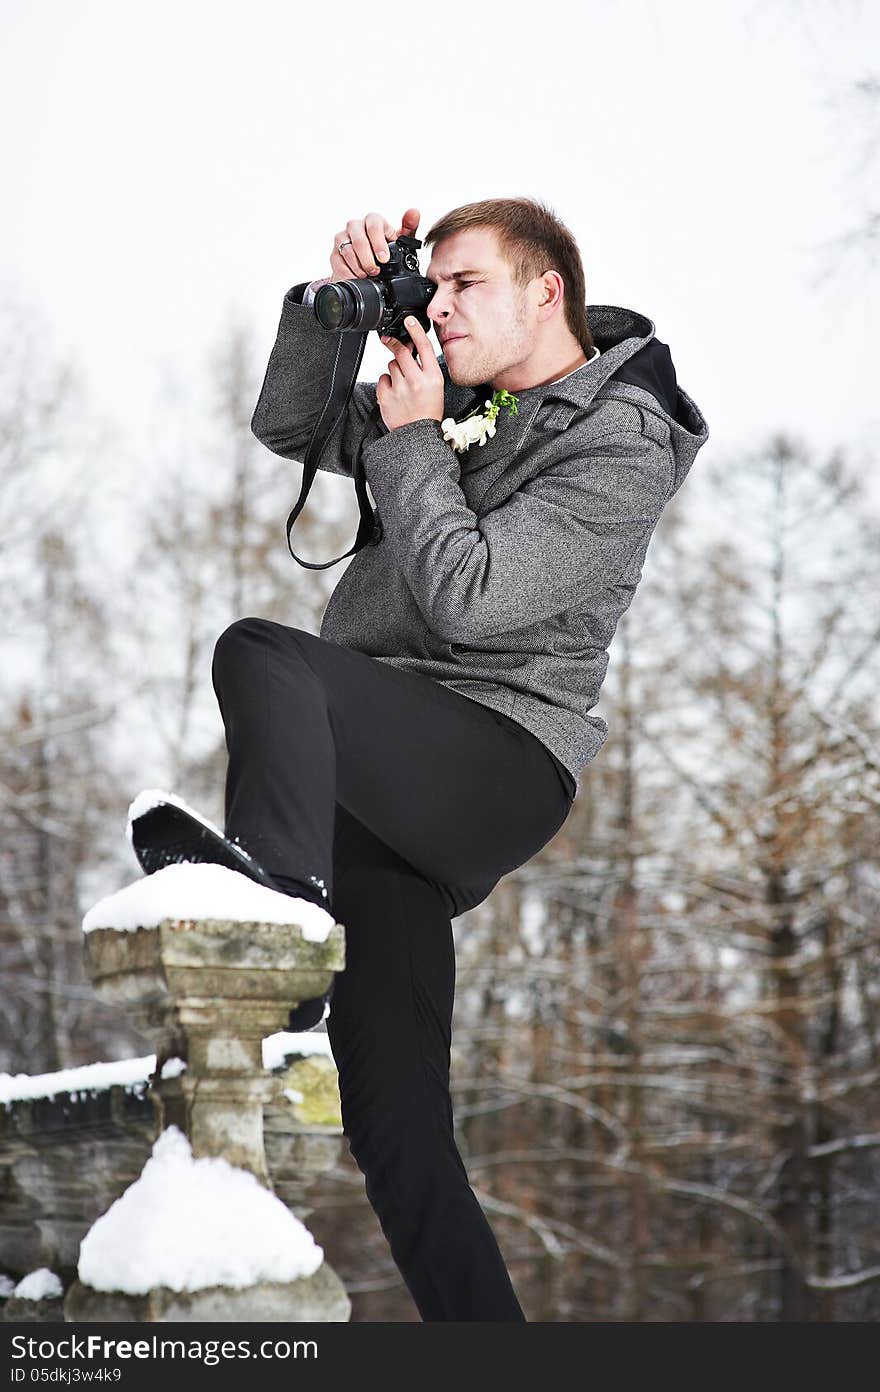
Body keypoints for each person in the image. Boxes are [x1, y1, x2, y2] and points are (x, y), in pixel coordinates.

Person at [209, 197, 710, 1321]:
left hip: (496, 757)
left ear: (547, 292)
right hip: (382, 774)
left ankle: (275, 918)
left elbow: (477, 602)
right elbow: (289, 426)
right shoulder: (457, 394)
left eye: (464, 285)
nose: (440, 308)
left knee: (263, 656)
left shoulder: (622, 441)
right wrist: (327, 314)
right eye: (429, 287)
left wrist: (414, 441)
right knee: (395, 1128)